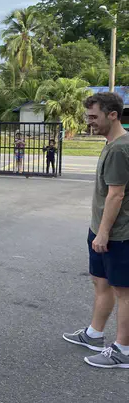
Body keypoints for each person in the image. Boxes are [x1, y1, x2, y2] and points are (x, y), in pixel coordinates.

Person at [63, 92, 129, 369]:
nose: (89, 122)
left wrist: (102, 234)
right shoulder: (111, 142)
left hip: (117, 233)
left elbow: (116, 194)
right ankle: (94, 334)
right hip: (100, 229)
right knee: (100, 281)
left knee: (123, 291)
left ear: (112, 115)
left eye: (93, 117)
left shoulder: (119, 148)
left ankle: (123, 350)